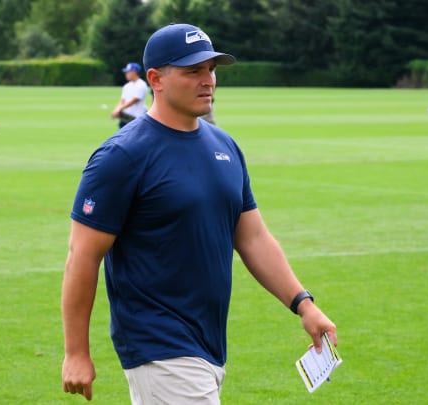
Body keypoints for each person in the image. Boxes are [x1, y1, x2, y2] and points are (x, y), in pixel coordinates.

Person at [62, 24, 337, 404]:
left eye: (211, 69)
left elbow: (253, 238)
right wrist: (77, 353)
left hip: (208, 342)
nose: (208, 80)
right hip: (158, 345)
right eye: (193, 71)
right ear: (155, 79)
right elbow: (83, 254)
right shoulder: (122, 156)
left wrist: (303, 304)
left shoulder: (225, 146)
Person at [111, 62, 147, 128]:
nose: (126, 74)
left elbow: (135, 100)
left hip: (137, 117)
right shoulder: (127, 86)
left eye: (128, 72)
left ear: (134, 72)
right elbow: (122, 100)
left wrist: (120, 109)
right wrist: (116, 109)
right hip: (126, 117)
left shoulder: (141, 84)